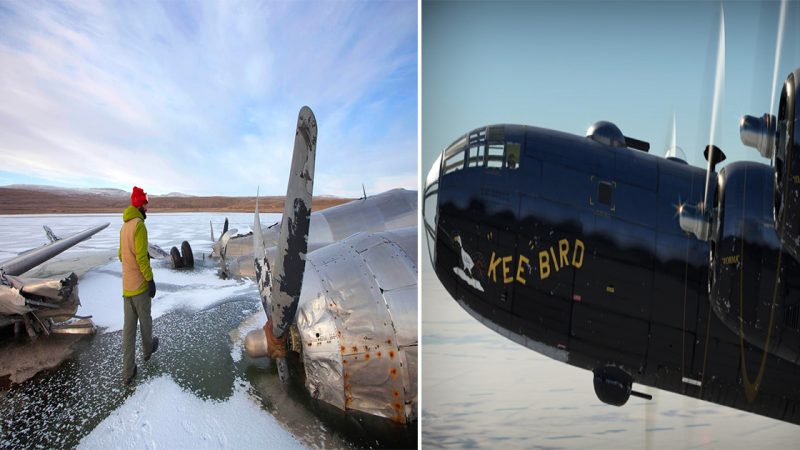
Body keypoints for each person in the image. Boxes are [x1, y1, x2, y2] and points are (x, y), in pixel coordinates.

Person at [118, 186, 158, 385]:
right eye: (145, 204)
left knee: (129, 330)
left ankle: (128, 372)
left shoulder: (124, 227)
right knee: (146, 322)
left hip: (126, 287)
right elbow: (141, 257)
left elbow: (121, 256)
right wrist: (149, 280)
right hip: (140, 287)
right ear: (139, 205)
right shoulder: (139, 226)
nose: (147, 208)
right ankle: (148, 350)